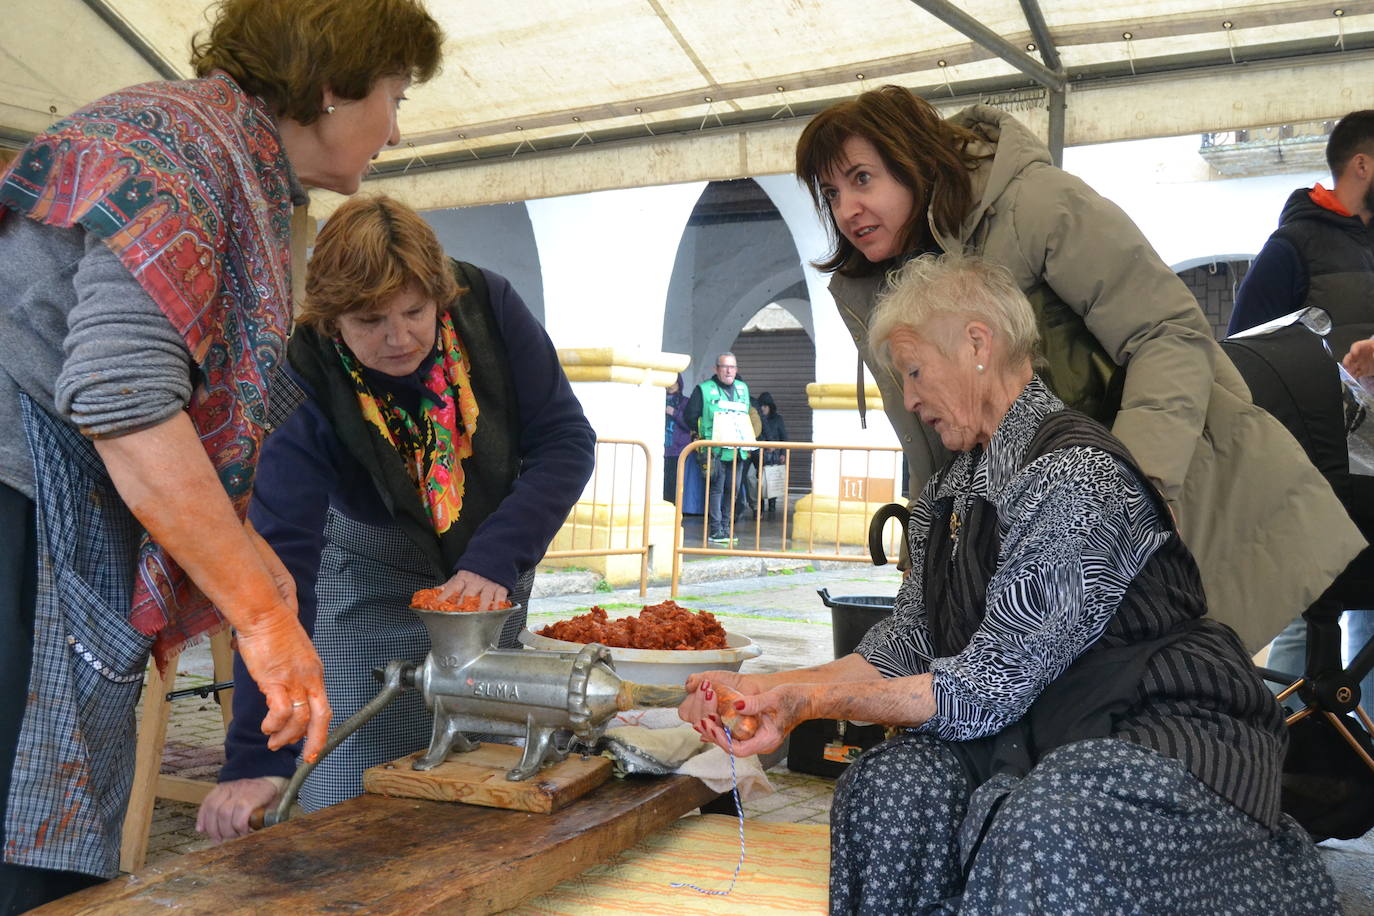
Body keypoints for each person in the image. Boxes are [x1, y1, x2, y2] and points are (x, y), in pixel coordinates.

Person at [681, 254, 1337, 915]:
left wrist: (805, 700)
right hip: (1035, 733)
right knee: (888, 788)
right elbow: (905, 646)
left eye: (913, 371)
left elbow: (987, 688)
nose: (907, 399)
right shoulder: (949, 490)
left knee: (1046, 824)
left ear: (976, 344)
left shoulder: (1076, 480)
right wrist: (772, 694)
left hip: (1158, 728)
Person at [0, 0, 443, 906]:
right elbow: (121, 400)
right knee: (22, 845)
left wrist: (254, 568)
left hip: (41, 508)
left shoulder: (210, 148)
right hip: (17, 508)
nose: (393, 130)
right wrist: (263, 618)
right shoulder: (191, 154)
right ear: (330, 88)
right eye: (393, 96)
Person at [794, 84, 1365, 653]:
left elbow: (1168, 333)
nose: (847, 209)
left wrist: (1133, 492)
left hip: (1169, 498)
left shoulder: (1038, 205)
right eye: (831, 192)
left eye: (862, 179)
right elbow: (934, 444)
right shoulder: (880, 287)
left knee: (1171, 706)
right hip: (1040, 535)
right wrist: (928, 557)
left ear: (913, 159)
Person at [195, 195, 595, 843]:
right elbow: (274, 575)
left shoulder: (489, 307)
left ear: (441, 296)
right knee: (343, 806)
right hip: (365, 583)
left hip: (484, 587)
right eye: (369, 320)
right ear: (330, 322)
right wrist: (256, 760)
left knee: (485, 803)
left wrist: (493, 559)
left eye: (415, 313)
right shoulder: (303, 379)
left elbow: (565, 442)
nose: (399, 336)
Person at [1227, 110, 1374, 700]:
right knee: (1305, 606)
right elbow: (1244, 357)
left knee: (1368, 615)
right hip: (1318, 466)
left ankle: (1358, 753)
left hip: (1373, 469)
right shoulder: (1291, 247)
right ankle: (1276, 744)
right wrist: (1329, 373)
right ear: (1362, 164)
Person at [685, 353, 756, 543]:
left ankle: (726, 527)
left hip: (738, 449)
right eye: (724, 367)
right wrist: (701, 433)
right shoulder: (704, 389)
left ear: (736, 369)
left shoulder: (743, 388)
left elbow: (747, 415)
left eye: (732, 367)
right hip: (714, 449)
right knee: (716, 489)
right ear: (716, 369)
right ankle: (716, 530)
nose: (728, 371)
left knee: (732, 489)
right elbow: (690, 415)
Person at [755, 392, 788, 516]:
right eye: (761, 406)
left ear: (770, 407)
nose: (763, 408)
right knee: (760, 482)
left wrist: (783, 453)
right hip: (760, 454)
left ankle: (772, 506)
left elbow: (784, 437)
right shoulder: (757, 419)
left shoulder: (778, 419)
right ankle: (760, 507)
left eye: (765, 406)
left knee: (773, 480)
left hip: (774, 456)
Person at [663, 373, 692, 502]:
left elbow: (689, 424)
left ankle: (675, 507)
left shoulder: (685, 401)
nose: (670, 385)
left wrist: (674, 413)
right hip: (662, 447)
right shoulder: (658, 398)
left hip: (678, 448)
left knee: (675, 481)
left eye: (673, 382)